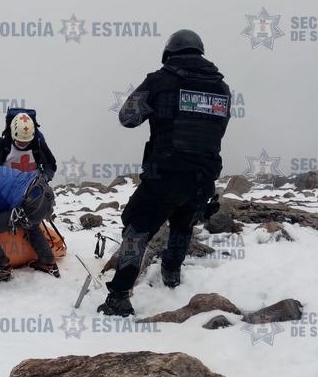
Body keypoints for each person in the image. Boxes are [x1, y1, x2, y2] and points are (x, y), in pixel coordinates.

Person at [98, 29, 231, 316]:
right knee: (183, 225)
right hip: (203, 179)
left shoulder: (159, 80)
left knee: (137, 230)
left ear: (169, 53)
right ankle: (171, 274)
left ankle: (119, 296)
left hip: (166, 176)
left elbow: (127, 117)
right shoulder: (222, 89)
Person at [0, 108, 57, 182]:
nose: (24, 144)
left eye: (27, 142)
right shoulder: (3, 144)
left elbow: (51, 165)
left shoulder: (38, 143)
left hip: (32, 186)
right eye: (20, 142)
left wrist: (44, 178)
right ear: (13, 135)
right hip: (7, 186)